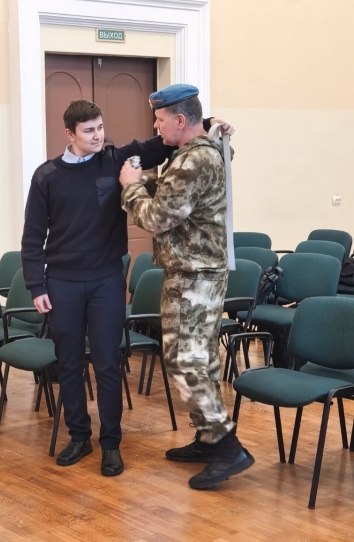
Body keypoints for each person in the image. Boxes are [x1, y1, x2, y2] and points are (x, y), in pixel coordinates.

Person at [21, 98, 229, 478]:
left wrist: (209, 123)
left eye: (100, 128)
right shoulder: (46, 176)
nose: (97, 136)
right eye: (88, 131)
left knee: (107, 363)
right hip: (62, 281)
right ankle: (79, 436)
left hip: (105, 280)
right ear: (69, 134)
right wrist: (36, 285)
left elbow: (162, 144)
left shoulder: (116, 160)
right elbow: (33, 237)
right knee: (68, 362)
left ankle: (111, 443)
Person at [119, 84, 254, 489]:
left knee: (184, 360)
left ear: (180, 120)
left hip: (193, 276)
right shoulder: (203, 151)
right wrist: (213, 126)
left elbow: (156, 218)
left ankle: (227, 447)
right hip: (199, 272)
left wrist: (131, 184)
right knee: (202, 359)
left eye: (160, 119)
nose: (155, 126)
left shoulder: (193, 160)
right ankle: (209, 439)